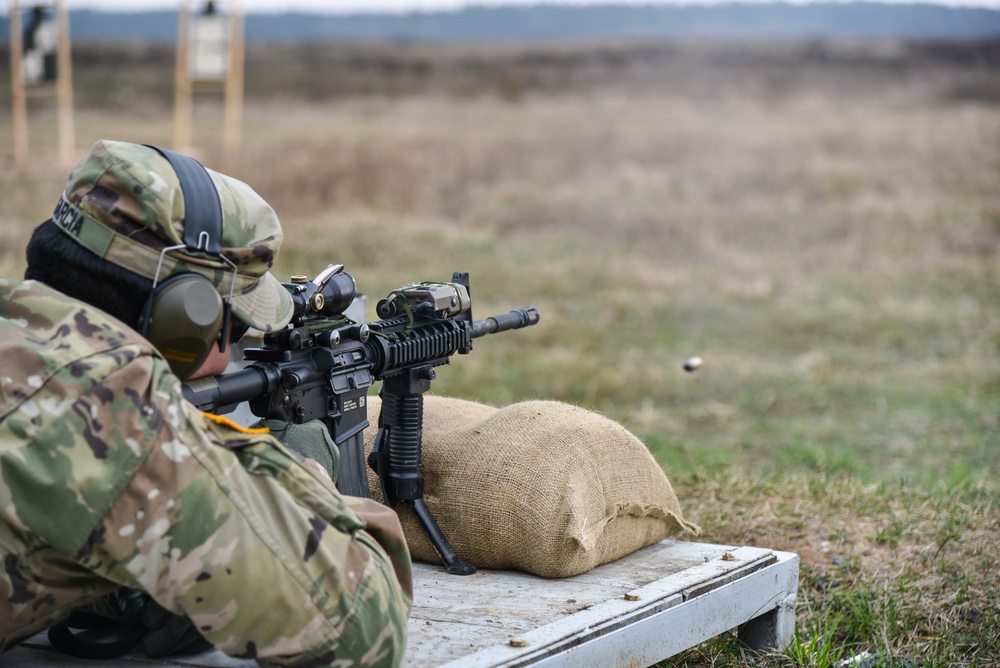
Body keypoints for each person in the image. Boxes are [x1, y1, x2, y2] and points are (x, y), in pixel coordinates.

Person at [0, 140, 413, 666]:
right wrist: (290, 479)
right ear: (185, 318)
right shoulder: (117, 421)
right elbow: (360, 624)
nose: (235, 346)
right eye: (236, 325)